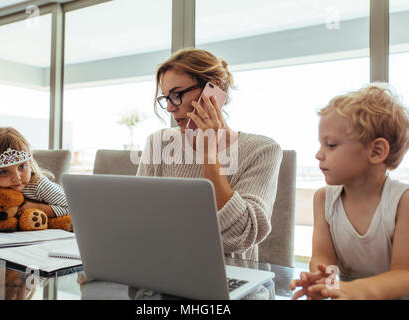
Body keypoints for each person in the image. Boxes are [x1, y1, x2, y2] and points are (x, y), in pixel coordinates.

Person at [137, 48, 283, 262]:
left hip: (228, 277)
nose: (169, 108)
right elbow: (138, 220)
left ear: (213, 89)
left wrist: (209, 154)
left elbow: (239, 236)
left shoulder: (262, 150)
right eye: (166, 98)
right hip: (164, 268)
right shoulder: (158, 142)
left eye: (177, 95)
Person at [290, 84, 409, 300]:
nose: (318, 154)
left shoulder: (403, 202)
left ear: (376, 151)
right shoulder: (324, 198)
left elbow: (404, 275)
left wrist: (352, 290)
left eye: (331, 145)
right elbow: (323, 256)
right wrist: (322, 280)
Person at [0, 127, 70, 233]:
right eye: (4, 172)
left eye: (22, 167)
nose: (17, 177)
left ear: (29, 163)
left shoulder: (38, 185)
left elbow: (72, 208)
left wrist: (38, 208)